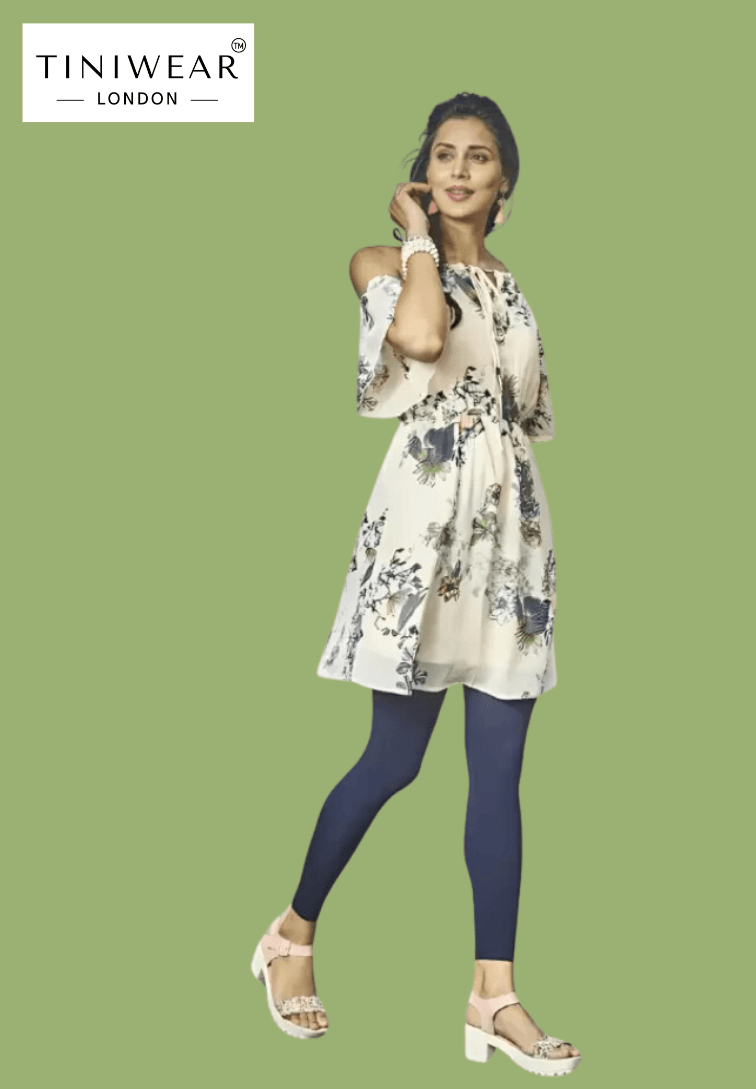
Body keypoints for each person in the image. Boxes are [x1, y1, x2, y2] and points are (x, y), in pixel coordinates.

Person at [251, 92, 581, 1075]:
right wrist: (417, 238)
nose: (461, 168)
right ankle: (291, 933)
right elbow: (426, 342)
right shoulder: (382, 264)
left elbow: (524, 408)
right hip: (422, 536)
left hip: (509, 542)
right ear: (423, 175)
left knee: (500, 771)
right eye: (444, 154)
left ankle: (494, 996)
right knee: (393, 760)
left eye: (480, 155)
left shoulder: (515, 287)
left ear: (505, 180)